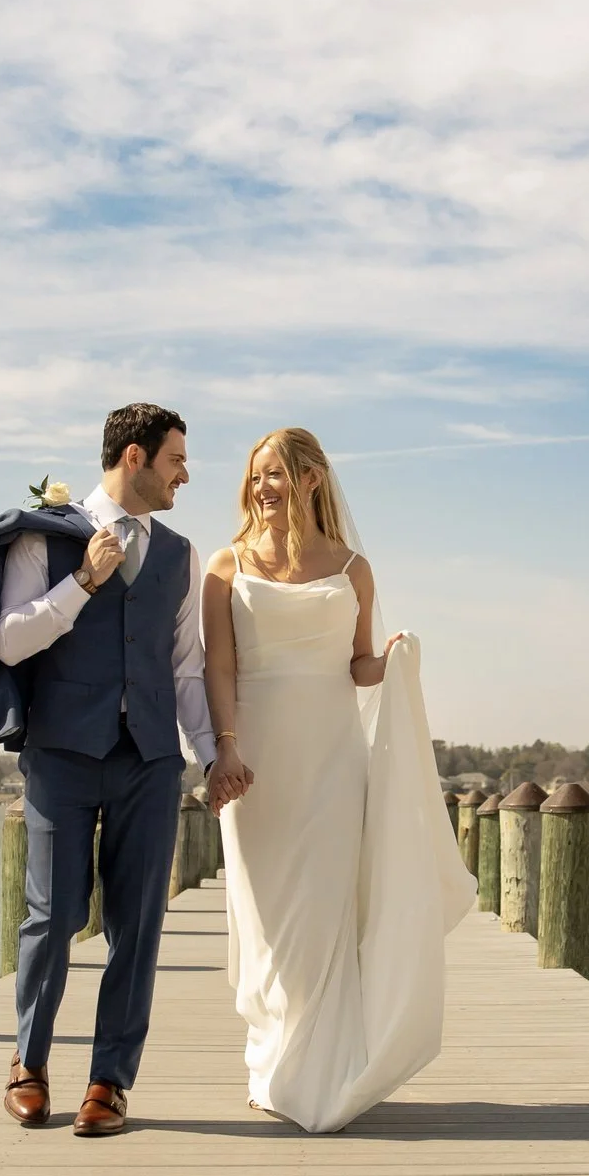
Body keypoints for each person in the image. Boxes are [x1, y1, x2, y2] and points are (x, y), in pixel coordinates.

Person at [0, 403, 230, 1136]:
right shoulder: (47, 533)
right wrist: (85, 583)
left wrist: (213, 755)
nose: (185, 475)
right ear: (134, 458)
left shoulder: (180, 553)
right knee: (56, 912)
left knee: (138, 924)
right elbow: (8, 642)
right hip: (63, 752)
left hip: (149, 761)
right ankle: (29, 1063)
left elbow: (185, 668)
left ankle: (110, 1080)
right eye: (175, 461)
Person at [203, 428, 470, 1132]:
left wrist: (393, 661)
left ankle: (313, 1070)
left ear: (312, 480)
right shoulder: (226, 566)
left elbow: (355, 666)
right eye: (257, 475)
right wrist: (224, 746)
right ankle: (269, 1061)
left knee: (320, 913)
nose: (264, 487)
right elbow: (218, 668)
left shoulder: (353, 567)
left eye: (278, 476)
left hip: (331, 757)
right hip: (256, 758)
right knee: (266, 923)